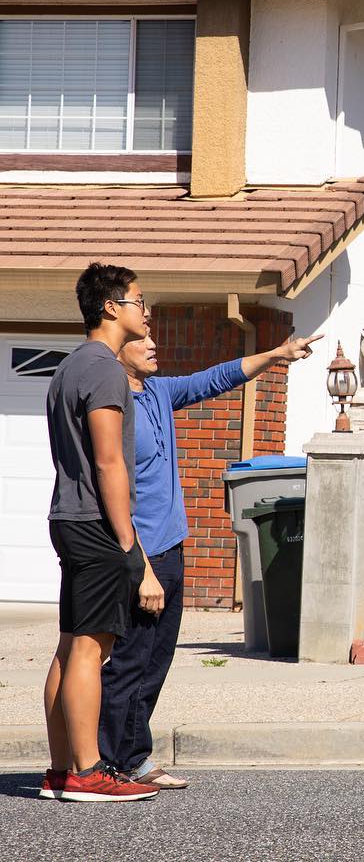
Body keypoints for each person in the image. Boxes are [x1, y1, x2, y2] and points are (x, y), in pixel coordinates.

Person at [98, 327, 322, 788]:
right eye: (142, 339)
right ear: (118, 352)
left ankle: (134, 757)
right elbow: (112, 494)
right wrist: (141, 570)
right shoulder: (113, 407)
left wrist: (278, 353)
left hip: (172, 549)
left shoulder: (159, 391)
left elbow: (218, 377)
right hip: (140, 556)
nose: (153, 344)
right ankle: (108, 762)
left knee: (155, 662)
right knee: (129, 662)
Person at [41, 263, 161, 803]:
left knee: (69, 648)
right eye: (139, 301)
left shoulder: (70, 367)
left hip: (67, 519)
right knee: (91, 649)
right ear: (111, 308)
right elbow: (111, 462)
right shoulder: (106, 370)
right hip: (95, 524)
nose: (146, 310)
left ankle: (61, 769)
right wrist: (130, 545)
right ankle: (88, 772)